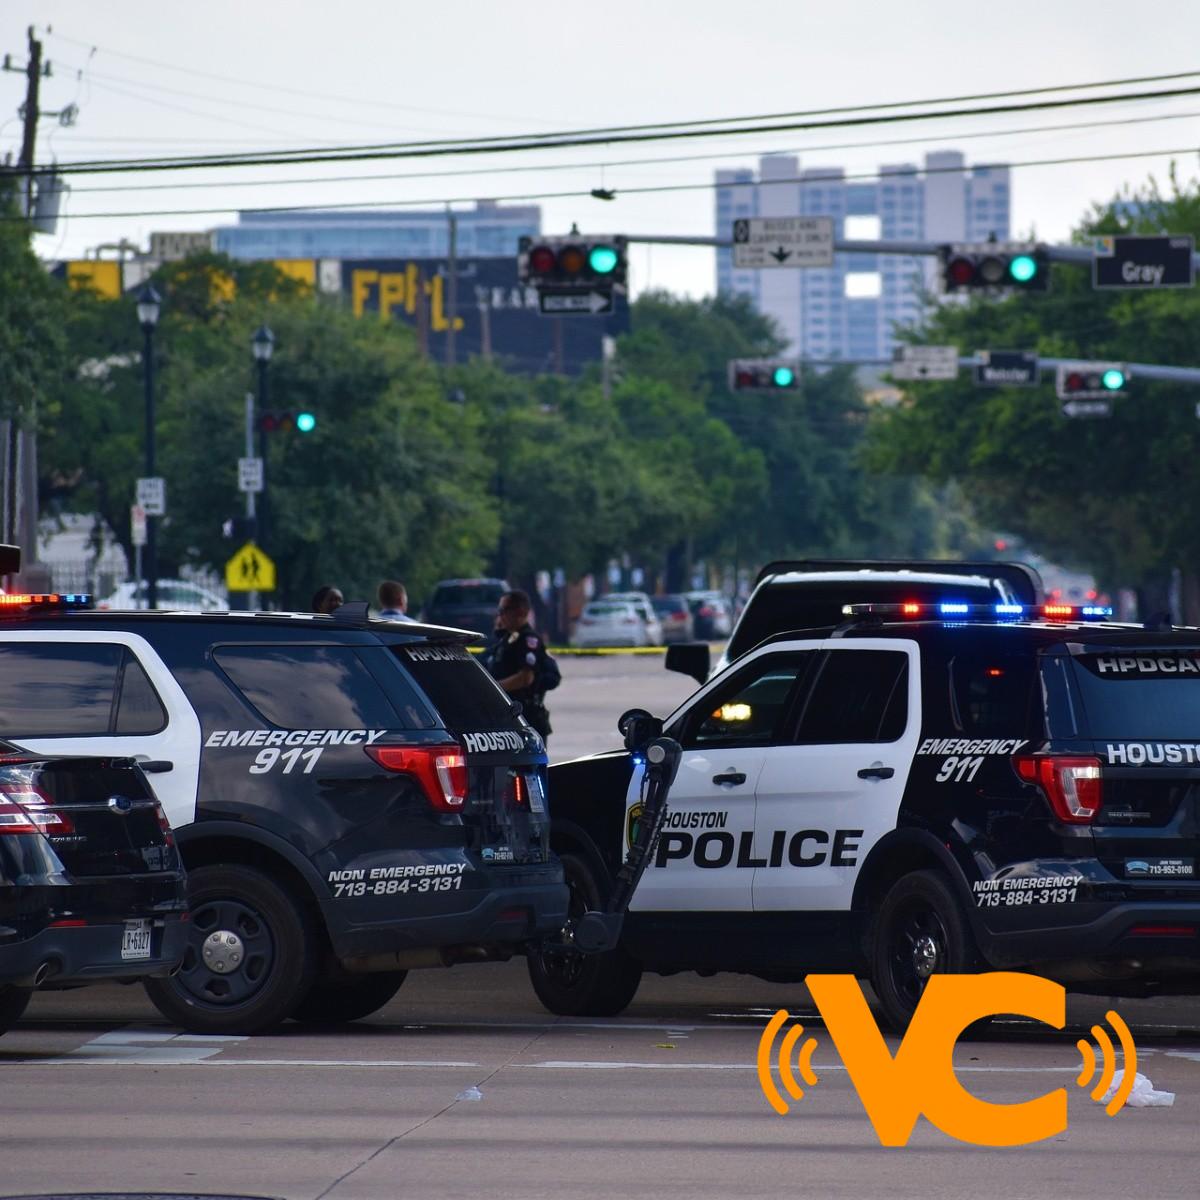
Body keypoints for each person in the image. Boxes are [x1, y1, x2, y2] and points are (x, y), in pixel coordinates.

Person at [481, 589, 557, 742]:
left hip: (526, 717)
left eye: (503, 610)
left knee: (527, 765)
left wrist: (493, 689)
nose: (500, 615)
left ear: (520, 612)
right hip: (508, 716)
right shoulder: (507, 639)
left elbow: (525, 678)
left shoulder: (528, 640)